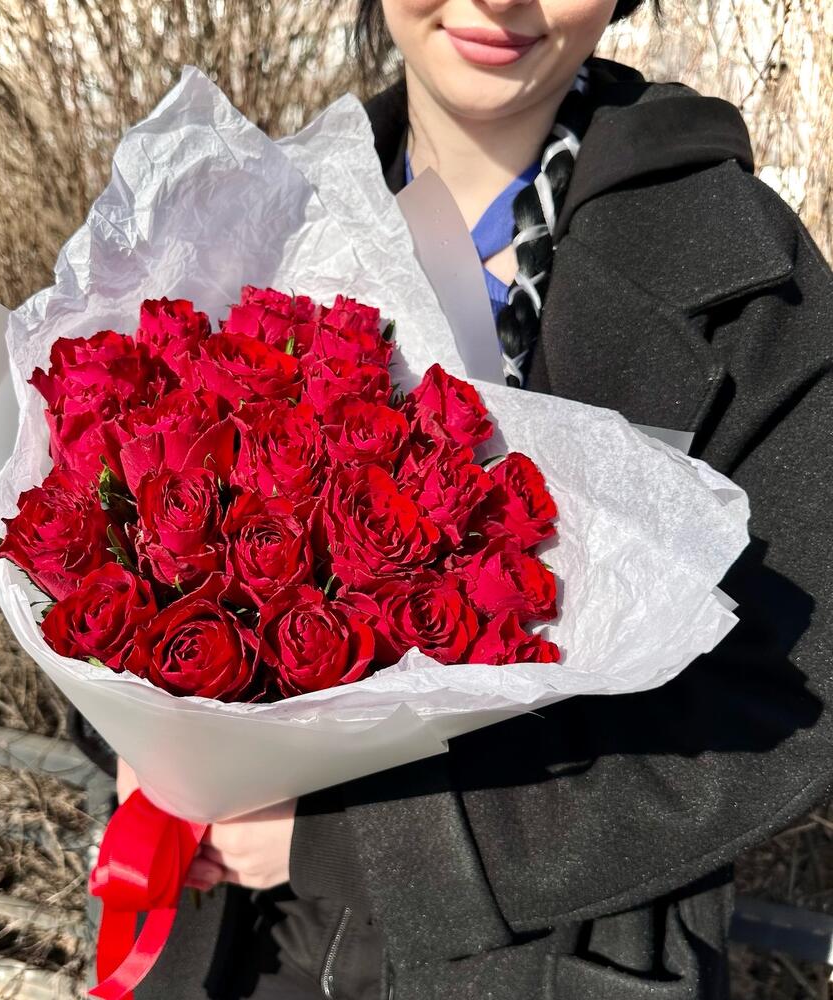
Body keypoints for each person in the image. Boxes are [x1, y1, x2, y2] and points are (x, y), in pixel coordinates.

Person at [70, 0, 833, 996]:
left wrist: (357, 840)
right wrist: (144, 734)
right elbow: (91, 522)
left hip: (542, 959)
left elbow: (793, 698)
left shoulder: (744, 280)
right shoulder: (251, 209)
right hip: (236, 946)